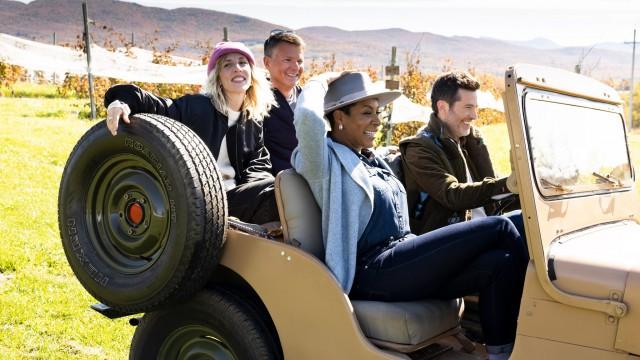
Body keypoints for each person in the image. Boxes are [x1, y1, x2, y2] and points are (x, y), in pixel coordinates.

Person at [292, 71, 527, 360]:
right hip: (371, 269)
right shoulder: (323, 162)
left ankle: (502, 354)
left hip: (401, 257)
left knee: (499, 264)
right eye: (367, 113)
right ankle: (555, 302)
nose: (377, 121)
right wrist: (321, 80)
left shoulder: (371, 160)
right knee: (500, 227)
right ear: (339, 117)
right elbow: (307, 120)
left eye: (378, 113)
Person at [104, 41, 279, 225]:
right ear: (217, 77)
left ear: (252, 74)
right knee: (278, 192)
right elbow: (154, 104)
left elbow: (258, 166)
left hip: (234, 200)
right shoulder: (197, 107)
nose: (237, 68)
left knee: (284, 188)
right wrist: (120, 101)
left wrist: (260, 190)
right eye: (227, 64)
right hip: (197, 201)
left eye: (243, 63)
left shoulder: (252, 120)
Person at [399, 71, 522, 235]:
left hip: (484, 226)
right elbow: (452, 194)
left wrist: (525, 187)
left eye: (475, 108)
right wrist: (506, 184)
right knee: (506, 229)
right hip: (448, 240)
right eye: (468, 107)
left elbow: (491, 197)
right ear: (442, 107)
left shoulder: (470, 141)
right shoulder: (419, 149)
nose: (474, 116)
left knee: (529, 222)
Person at [262, 29, 306, 175]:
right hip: (281, 186)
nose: (295, 67)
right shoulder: (256, 102)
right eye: (287, 60)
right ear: (267, 63)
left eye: (299, 61)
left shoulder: (308, 98)